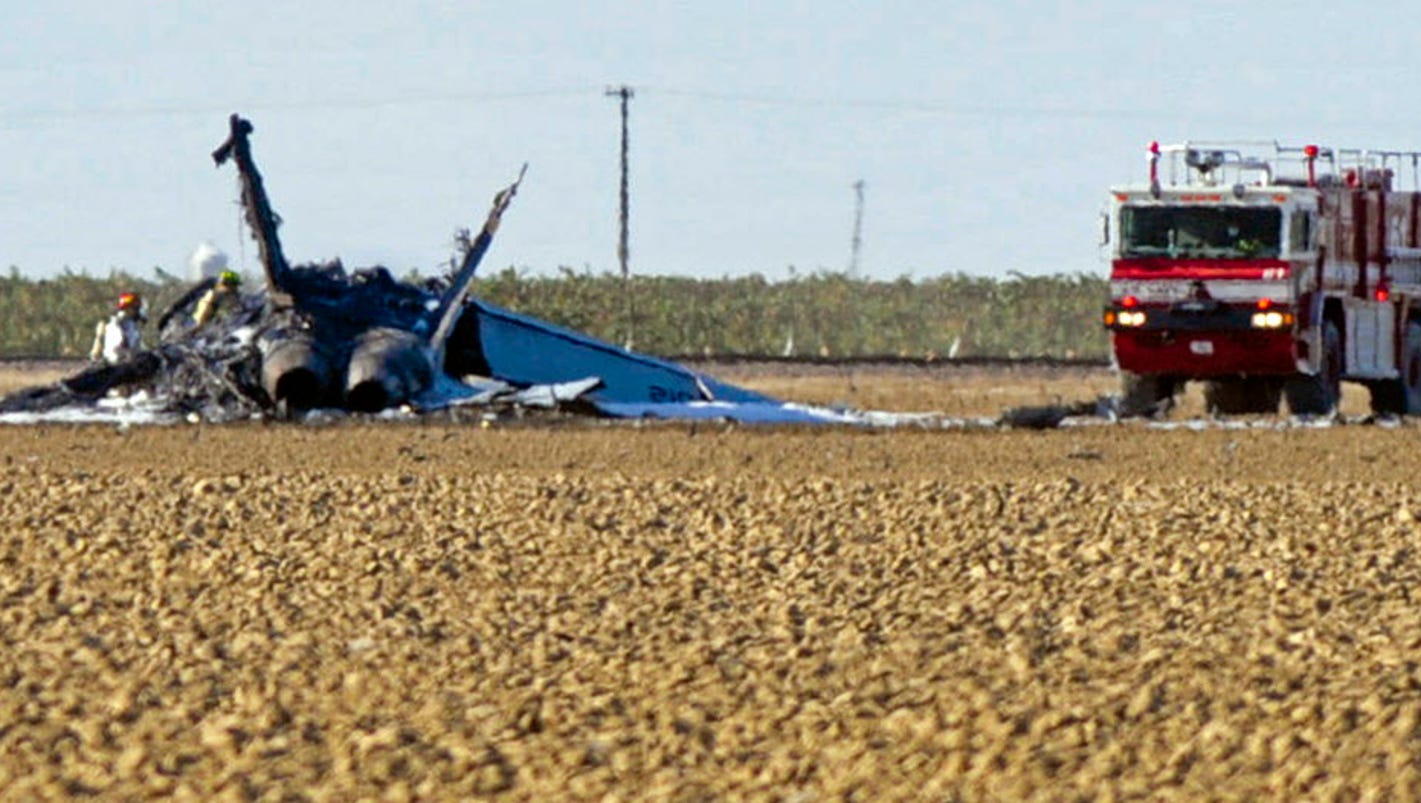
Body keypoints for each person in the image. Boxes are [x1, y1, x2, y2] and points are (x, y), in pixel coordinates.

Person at [89, 291, 146, 364]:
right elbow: (125, 349)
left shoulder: (121, 322)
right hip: (120, 364)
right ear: (129, 309)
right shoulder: (122, 324)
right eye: (136, 308)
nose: (138, 311)